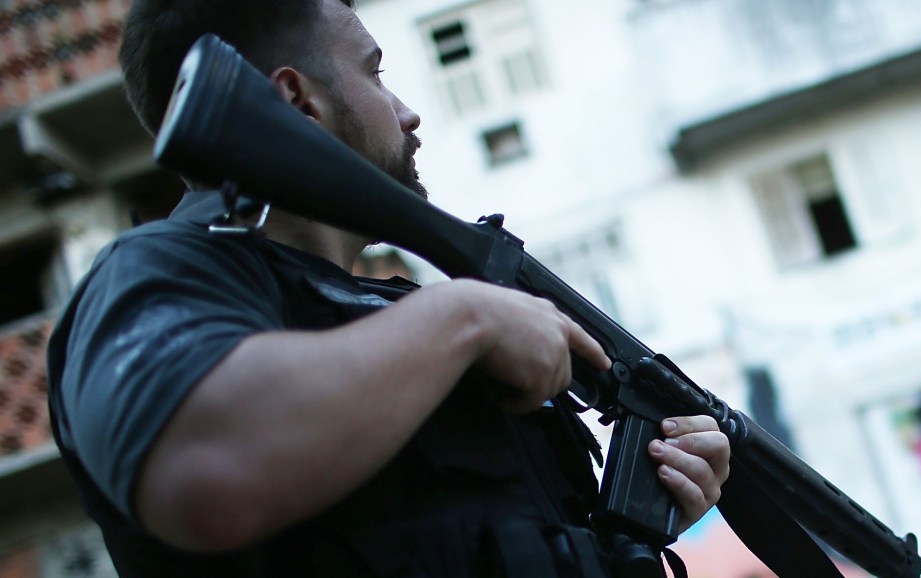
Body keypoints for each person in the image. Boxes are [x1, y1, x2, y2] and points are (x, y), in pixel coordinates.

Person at [46, 0, 731, 576]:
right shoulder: (158, 270)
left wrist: (641, 511)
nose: (409, 114)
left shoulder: (394, 320)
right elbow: (205, 474)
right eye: (376, 73)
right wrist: (466, 319)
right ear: (295, 100)